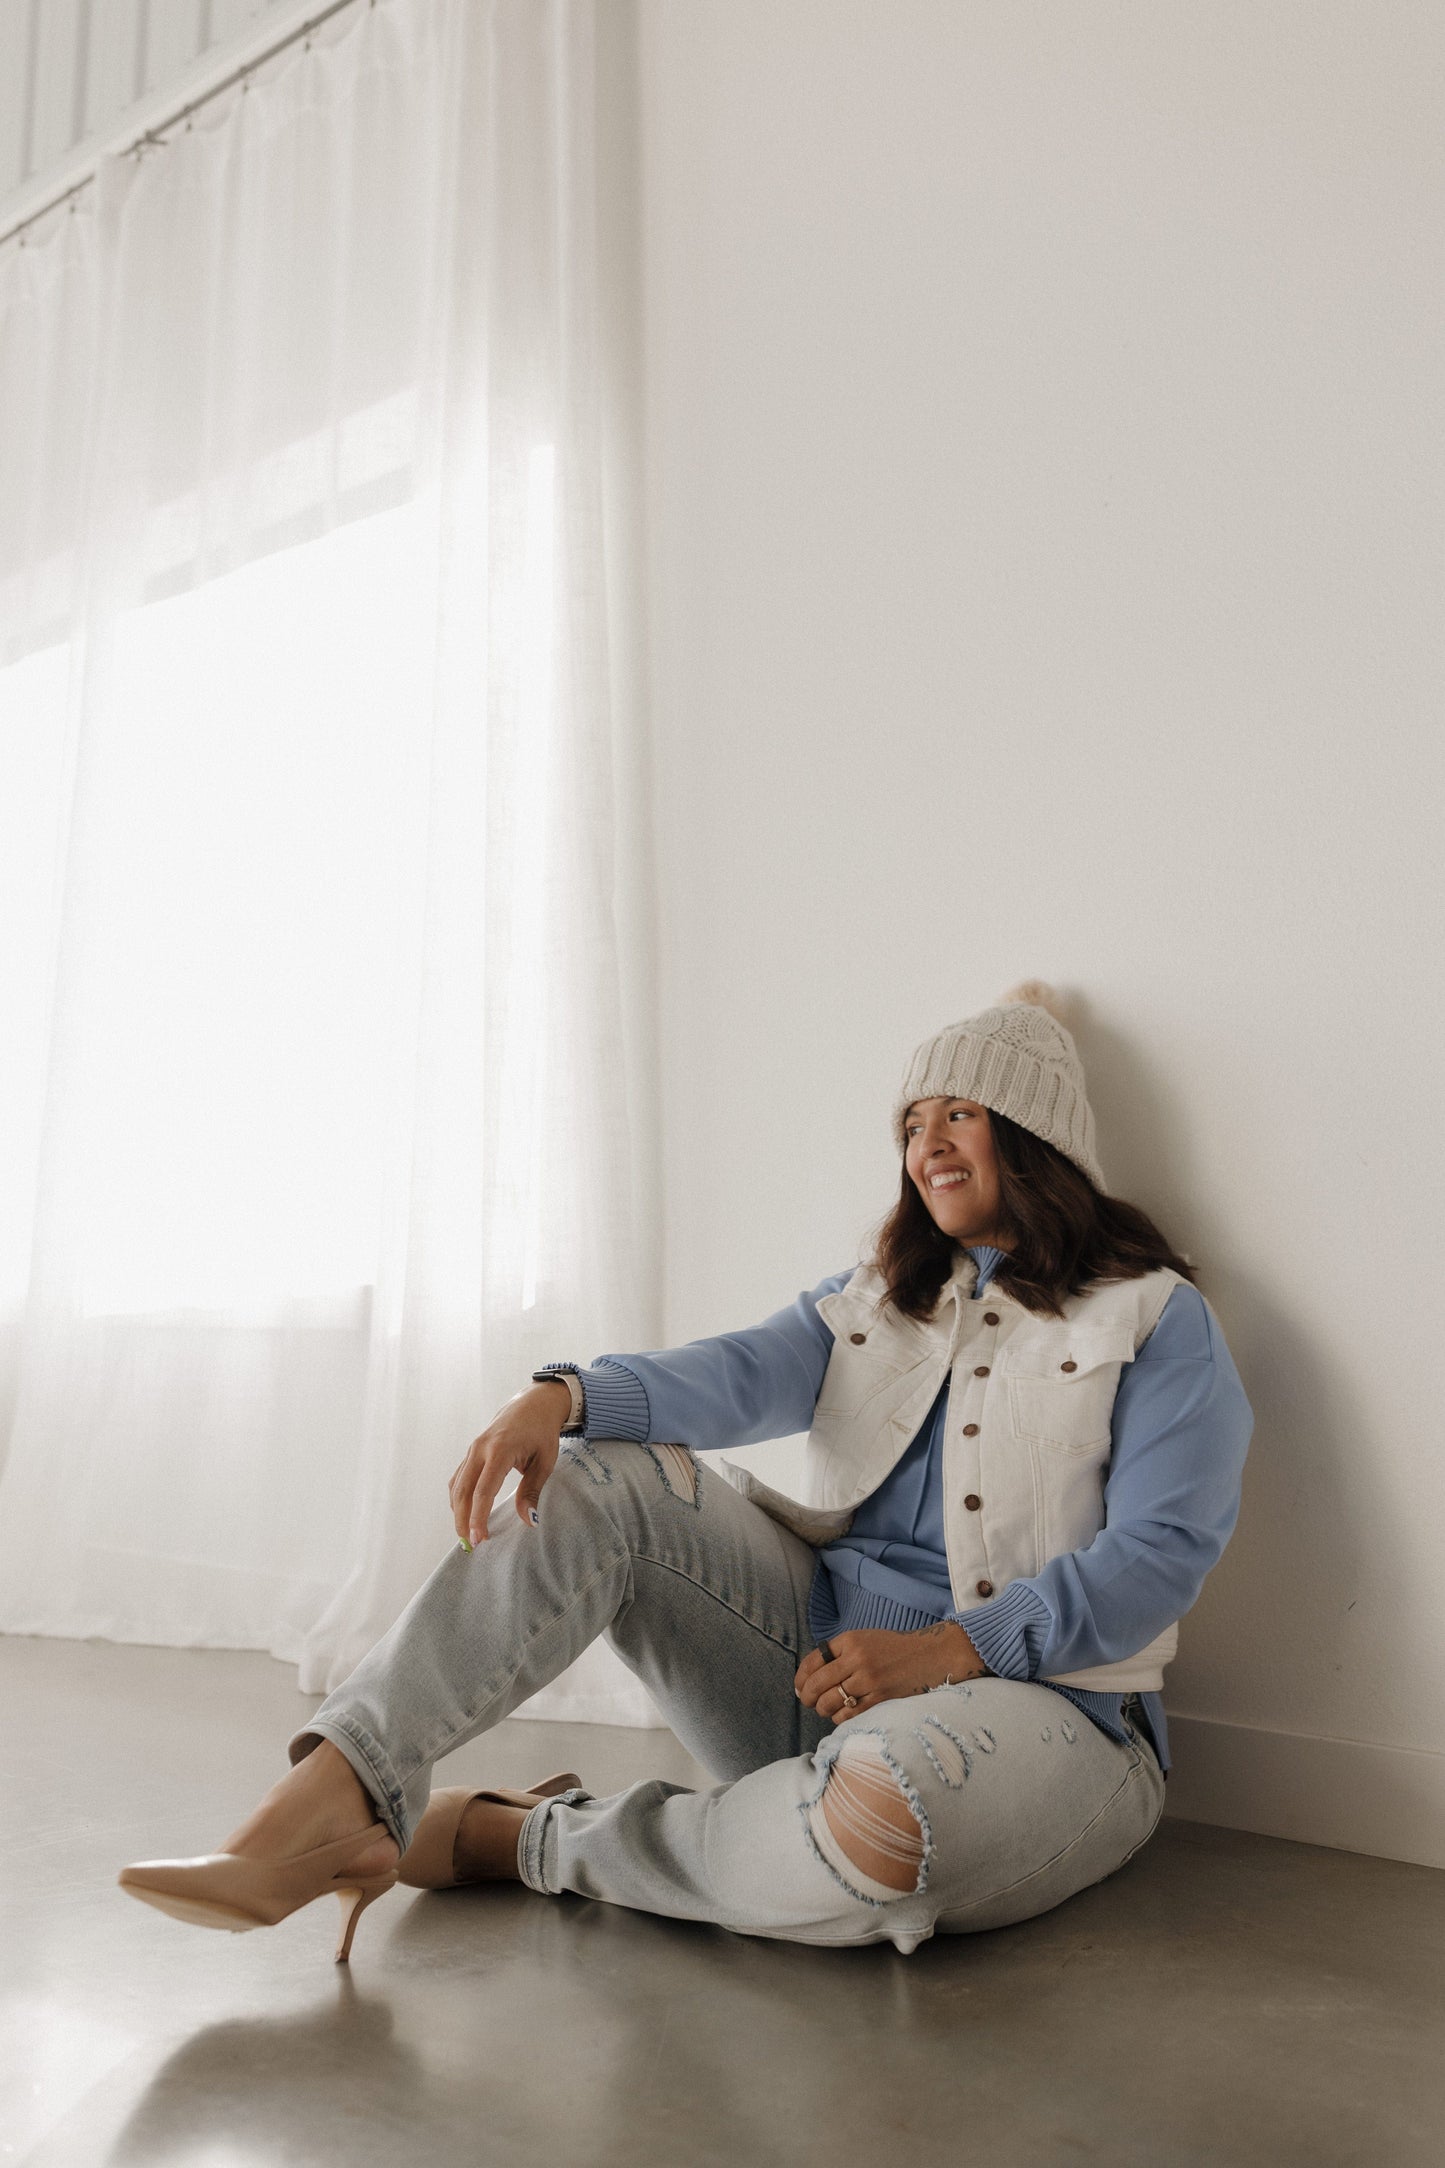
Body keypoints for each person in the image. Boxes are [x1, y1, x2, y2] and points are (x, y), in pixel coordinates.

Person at [119, 985, 1253, 1958]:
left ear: (1033, 1130)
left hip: (1043, 1718)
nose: (925, 1143)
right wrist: (560, 1396)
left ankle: (525, 1837)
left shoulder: (1153, 1315)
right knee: (595, 1474)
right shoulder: (879, 1293)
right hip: (808, 1676)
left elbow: (1157, 1555)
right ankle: (330, 1800)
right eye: (910, 1121)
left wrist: (950, 1648)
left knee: (883, 1826)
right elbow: (739, 1371)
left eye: (958, 1112)